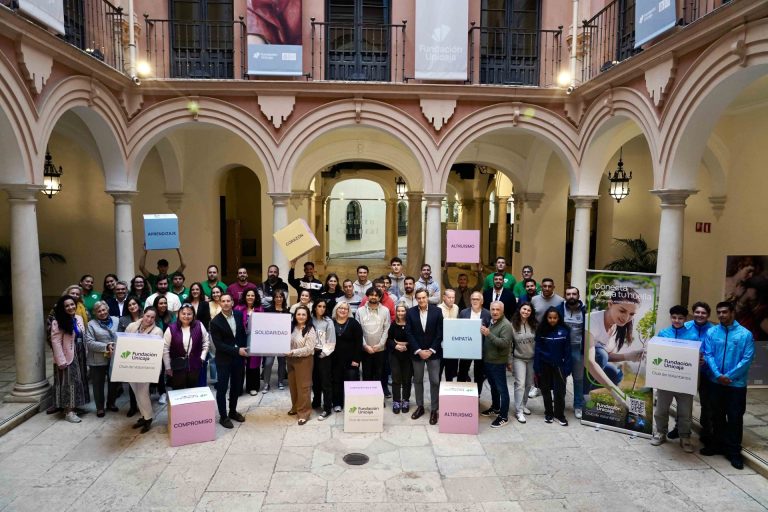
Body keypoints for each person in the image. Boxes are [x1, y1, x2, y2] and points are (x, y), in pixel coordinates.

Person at [700, 301, 755, 470]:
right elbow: (708, 354)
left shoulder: (745, 334)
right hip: (715, 383)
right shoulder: (712, 332)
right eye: (719, 312)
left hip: (736, 385)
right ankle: (716, 445)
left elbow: (747, 359)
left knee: (735, 418)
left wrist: (729, 376)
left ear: (732, 312)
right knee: (716, 415)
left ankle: (734, 452)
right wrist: (717, 375)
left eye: (725, 312)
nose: (722, 315)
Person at [586, 288, 643, 404]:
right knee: (600, 355)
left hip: (590, 364)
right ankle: (583, 395)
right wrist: (616, 393)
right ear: (610, 304)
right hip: (573, 361)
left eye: (631, 314)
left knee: (616, 373)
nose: (626, 318)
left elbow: (607, 356)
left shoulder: (617, 326)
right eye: (622, 311)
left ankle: (588, 390)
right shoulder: (591, 320)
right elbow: (589, 360)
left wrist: (628, 356)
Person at [652, 305, 697, 453]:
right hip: (666, 380)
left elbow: (697, 356)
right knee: (661, 409)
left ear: (685, 319)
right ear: (671, 317)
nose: (677, 320)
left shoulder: (693, 335)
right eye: (674, 317)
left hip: (684, 381)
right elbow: (657, 354)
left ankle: (685, 437)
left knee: (685, 412)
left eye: (680, 318)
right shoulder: (663, 333)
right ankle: (661, 432)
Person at [677, 301, 714, 443]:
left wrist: (706, 360)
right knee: (683, 401)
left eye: (703, 313)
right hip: (686, 371)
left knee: (707, 403)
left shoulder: (713, 330)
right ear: (693, 313)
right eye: (697, 312)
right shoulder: (684, 327)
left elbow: (715, 351)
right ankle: (678, 428)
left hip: (706, 373)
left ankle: (706, 431)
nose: (700, 315)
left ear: (708, 315)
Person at [209, 293, 248, 428]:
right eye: (223, 301)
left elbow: (241, 334)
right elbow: (219, 345)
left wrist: (245, 349)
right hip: (224, 359)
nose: (225, 303)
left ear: (232, 302)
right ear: (220, 303)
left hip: (238, 359)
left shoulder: (238, 314)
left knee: (236, 387)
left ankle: (232, 412)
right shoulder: (215, 322)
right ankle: (223, 416)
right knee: (222, 388)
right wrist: (238, 350)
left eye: (228, 301)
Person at [406, 289, 443, 425]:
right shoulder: (410, 312)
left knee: (434, 381)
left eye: (424, 298)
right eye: (419, 298)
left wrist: (431, 350)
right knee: (418, 380)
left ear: (428, 298)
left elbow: (440, 333)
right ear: (416, 299)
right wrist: (419, 350)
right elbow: (409, 333)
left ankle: (434, 409)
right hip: (417, 353)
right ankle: (420, 406)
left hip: (433, 353)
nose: (421, 300)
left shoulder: (437, 311)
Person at [50, 295, 89, 423]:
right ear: (63, 308)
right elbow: (55, 342)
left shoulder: (78, 318)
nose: (70, 307)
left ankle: (75, 407)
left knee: (79, 381)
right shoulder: (58, 321)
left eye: (72, 304)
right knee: (69, 383)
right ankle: (69, 412)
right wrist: (61, 361)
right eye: (67, 306)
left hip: (80, 354)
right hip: (67, 356)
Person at [124, 308, 163, 433]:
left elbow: (156, 352)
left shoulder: (157, 331)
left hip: (146, 366)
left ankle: (148, 418)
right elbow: (124, 342)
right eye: (147, 316)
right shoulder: (131, 326)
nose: (149, 319)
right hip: (130, 364)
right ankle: (144, 416)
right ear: (143, 315)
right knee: (136, 392)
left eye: (152, 317)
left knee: (143, 393)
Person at [534, 307, 572, 425]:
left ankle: (559, 415)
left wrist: (567, 368)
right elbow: (538, 350)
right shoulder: (541, 331)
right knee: (545, 390)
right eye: (550, 318)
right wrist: (537, 367)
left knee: (559, 392)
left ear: (558, 318)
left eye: (555, 318)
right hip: (545, 365)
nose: (552, 320)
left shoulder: (564, 331)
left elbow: (568, 351)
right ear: (546, 318)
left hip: (559, 366)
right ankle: (548, 413)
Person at [480, 301, 514, 428]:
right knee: (493, 386)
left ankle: (503, 416)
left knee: (502, 389)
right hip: (488, 361)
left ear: (502, 310)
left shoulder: (506, 325)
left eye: (497, 310)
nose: (494, 312)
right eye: (493, 309)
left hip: (498, 362)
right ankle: (495, 407)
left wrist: (489, 334)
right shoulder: (492, 321)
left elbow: (505, 344)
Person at [164, 304, 211, 390]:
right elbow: (165, 348)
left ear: (193, 315)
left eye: (189, 314)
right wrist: (167, 367)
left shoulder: (199, 325)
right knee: (178, 391)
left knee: (192, 390)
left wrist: (202, 357)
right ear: (178, 314)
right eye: (183, 313)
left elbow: (206, 342)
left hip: (195, 365)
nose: (186, 316)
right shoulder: (171, 328)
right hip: (177, 367)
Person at [85, 301, 119, 417]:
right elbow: (89, 343)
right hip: (97, 359)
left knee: (114, 382)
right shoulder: (91, 324)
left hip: (114, 357)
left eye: (104, 310)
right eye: (99, 311)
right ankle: (100, 407)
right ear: (95, 313)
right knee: (98, 384)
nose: (102, 313)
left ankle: (111, 403)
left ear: (108, 309)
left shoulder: (116, 320)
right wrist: (106, 346)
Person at [557, 286, 586, 419]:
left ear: (578, 296)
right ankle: (559, 405)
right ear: (565, 295)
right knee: (560, 379)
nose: (571, 296)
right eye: (568, 294)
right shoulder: (559, 308)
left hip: (578, 350)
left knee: (578, 379)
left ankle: (578, 406)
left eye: (574, 294)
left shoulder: (586, 310)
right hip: (563, 349)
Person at [286, 305, 317, 425]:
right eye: (298, 314)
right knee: (293, 385)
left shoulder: (310, 329)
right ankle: (295, 407)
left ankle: (304, 412)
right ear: (295, 316)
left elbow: (309, 349)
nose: (301, 316)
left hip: (304, 360)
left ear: (308, 316)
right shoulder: (291, 327)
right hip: (290, 360)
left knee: (303, 387)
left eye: (304, 314)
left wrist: (293, 352)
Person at [356, 287, 390, 393]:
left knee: (379, 374)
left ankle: (378, 399)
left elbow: (386, 328)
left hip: (380, 349)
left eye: (376, 295)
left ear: (379, 297)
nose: (373, 297)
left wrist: (380, 345)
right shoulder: (360, 311)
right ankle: (368, 398)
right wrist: (365, 346)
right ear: (367, 296)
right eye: (371, 295)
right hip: (365, 349)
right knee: (366, 374)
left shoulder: (385, 310)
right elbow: (358, 331)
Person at [331, 301, 363, 411]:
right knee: (336, 381)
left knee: (351, 381)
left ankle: (351, 405)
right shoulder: (331, 322)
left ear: (348, 311)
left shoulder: (354, 323)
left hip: (351, 360)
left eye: (345, 308)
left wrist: (356, 359)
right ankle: (337, 403)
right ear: (336, 309)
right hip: (335, 359)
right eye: (340, 308)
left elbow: (359, 343)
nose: (343, 310)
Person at [458, 291, 492, 389]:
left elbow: (490, 331)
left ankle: (477, 394)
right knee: (462, 372)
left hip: (481, 349)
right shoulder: (464, 312)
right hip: (466, 348)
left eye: (477, 299)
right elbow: (459, 329)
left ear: (482, 301)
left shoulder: (487, 314)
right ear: (470, 300)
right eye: (473, 299)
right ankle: (460, 391)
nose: (475, 301)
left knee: (479, 373)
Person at [510, 303, 537, 423]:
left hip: (532, 358)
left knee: (528, 384)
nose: (526, 311)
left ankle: (524, 404)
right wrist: (509, 361)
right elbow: (509, 345)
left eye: (528, 310)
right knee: (520, 384)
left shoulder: (535, 324)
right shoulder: (513, 325)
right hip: (518, 358)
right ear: (520, 310)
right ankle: (518, 411)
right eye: (524, 309)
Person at [118, 296, 143, 417]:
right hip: (130, 354)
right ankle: (133, 406)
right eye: (129, 305)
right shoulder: (123, 319)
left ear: (138, 305)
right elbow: (119, 336)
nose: (132, 306)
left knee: (143, 383)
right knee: (132, 383)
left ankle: (144, 406)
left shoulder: (146, 317)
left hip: (144, 354)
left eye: (134, 304)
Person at [311, 299, 336, 420]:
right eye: (319, 306)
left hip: (324, 355)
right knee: (315, 381)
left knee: (325, 382)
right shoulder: (310, 319)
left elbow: (331, 341)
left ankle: (327, 408)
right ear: (315, 307)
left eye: (324, 307)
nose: (322, 308)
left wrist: (323, 354)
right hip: (310, 354)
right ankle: (315, 402)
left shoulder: (328, 322)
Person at [235, 289, 263, 395]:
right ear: (245, 296)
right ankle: (238, 388)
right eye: (248, 295)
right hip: (241, 339)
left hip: (255, 339)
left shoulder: (260, 309)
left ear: (255, 297)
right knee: (239, 365)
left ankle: (252, 387)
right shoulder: (238, 308)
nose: (250, 297)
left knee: (254, 364)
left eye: (252, 295)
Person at [388, 304, 413, 414]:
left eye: (403, 311)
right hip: (395, 354)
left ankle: (406, 400)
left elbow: (414, 338)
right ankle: (396, 401)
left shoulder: (410, 324)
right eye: (398, 311)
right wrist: (396, 345)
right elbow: (389, 339)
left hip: (408, 354)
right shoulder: (393, 324)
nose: (401, 313)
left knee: (407, 379)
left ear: (406, 312)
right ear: (396, 312)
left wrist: (406, 345)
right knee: (396, 378)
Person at [263, 289, 289, 391]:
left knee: (282, 362)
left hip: (283, 341)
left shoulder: (287, 311)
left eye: (281, 297)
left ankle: (280, 381)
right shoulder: (268, 310)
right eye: (277, 297)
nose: (279, 299)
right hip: (271, 341)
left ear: (283, 298)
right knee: (268, 363)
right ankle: (266, 383)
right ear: (273, 298)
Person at [438, 289, 461, 381]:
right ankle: (438, 391)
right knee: (439, 369)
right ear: (444, 297)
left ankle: (449, 390)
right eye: (449, 297)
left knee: (451, 370)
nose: (451, 299)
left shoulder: (456, 307)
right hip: (441, 344)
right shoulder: (438, 308)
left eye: (453, 297)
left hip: (453, 344)